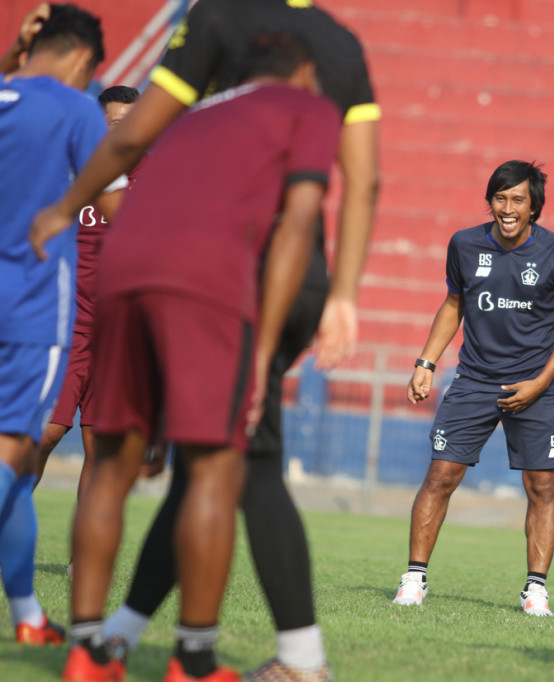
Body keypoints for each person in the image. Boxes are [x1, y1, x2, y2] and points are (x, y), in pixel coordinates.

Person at [30, 2, 381, 679]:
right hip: (225, 276)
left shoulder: (195, 107)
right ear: (304, 71)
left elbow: (128, 144)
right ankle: (217, 659)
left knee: (127, 463)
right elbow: (331, 199)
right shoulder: (323, 75)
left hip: (125, 266)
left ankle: (95, 644)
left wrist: (66, 205)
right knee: (230, 462)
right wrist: (324, 306)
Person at [391, 160, 554, 617]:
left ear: (534, 206)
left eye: (518, 199)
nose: (508, 208)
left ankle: (535, 590)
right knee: (440, 476)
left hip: (536, 386)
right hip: (473, 380)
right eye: (500, 198)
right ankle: (414, 579)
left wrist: (539, 383)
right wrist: (426, 362)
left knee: (542, 487)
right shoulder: (464, 243)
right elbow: (453, 303)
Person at [0, 2, 114, 647]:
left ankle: (27, 614)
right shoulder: (76, 111)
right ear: (82, 61)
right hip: (30, 311)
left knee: (17, 467)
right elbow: (121, 206)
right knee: (13, 453)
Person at [33, 85, 140, 498]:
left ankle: (83, 562)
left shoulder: (154, 173)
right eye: (114, 123)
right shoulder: (73, 169)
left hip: (117, 335)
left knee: (99, 450)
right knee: (45, 434)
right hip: (66, 329)